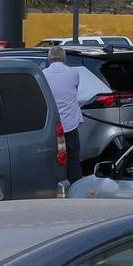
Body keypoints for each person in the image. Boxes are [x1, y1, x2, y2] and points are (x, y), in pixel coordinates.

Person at [42, 46, 83, 184]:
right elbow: (75, 89)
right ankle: (76, 184)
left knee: (56, 156)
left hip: (53, 126)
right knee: (73, 157)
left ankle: (57, 185)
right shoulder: (73, 73)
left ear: (49, 58)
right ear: (64, 58)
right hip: (70, 124)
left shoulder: (43, 74)